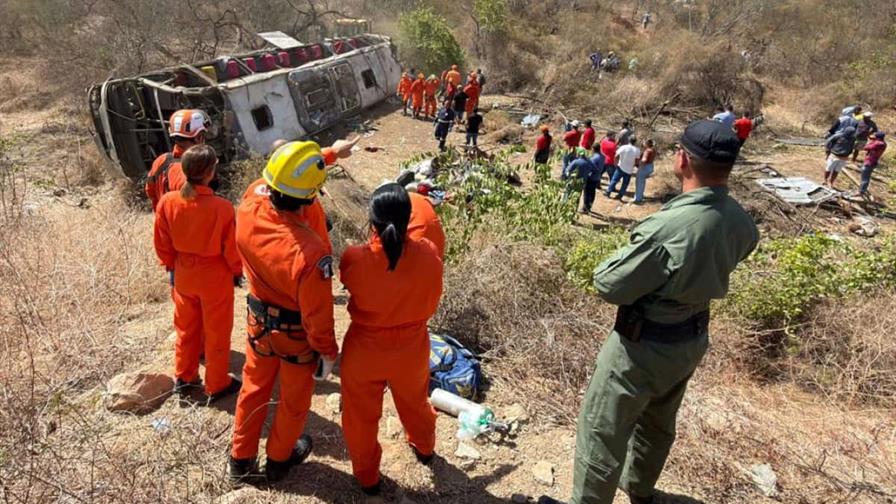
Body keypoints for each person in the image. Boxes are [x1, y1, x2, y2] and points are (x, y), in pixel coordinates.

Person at [538, 120, 759, 504]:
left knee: (602, 430)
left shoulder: (672, 226)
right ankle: (639, 489)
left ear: (683, 159)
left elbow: (610, 284)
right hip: (690, 339)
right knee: (658, 423)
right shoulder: (740, 220)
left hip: (642, 344)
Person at [228, 138, 357, 483]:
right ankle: (279, 460)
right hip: (294, 334)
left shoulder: (250, 200)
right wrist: (327, 353)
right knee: (294, 401)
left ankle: (240, 460)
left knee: (253, 388)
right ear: (310, 197)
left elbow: (283, 175)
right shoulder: (310, 254)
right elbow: (317, 315)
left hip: (258, 322)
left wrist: (329, 154)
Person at [339, 183, 443, 497]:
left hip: (365, 348)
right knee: (415, 402)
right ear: (408, 218)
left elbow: (352, 277)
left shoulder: (355, 258)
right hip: (411, 346)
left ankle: (368, 477)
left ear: (372, 222)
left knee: (360, 416)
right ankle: (424, 448)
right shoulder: (429, 253)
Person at [153, 144, 242, 403]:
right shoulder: (222, 208)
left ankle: (184, 376)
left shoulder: (168, 202)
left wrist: (172, 264)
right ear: (210, 172)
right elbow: (231, 249)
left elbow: (161, 241)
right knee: (216, 331)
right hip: (214, 275)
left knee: (186, 328)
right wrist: (237, 271)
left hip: (183, 273)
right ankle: (217, 384)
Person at [145, 109, 210, 211]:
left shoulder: (160, 161)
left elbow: (150, 190)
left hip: (164, 222)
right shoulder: (194, 170)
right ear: (198, 138)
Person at [860, 132, 887, 196]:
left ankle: (861, 192)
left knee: (865, 177)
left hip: (870, 161)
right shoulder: (883, 143)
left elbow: (866, 148)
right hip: (873, 161)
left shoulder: (878, 143)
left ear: (877, 137)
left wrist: (871, 141)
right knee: (866, 177)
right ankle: (862, 190)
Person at [583, 146, 606, 213]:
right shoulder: (602, 156)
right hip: (597, 177)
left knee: (587, 193)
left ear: (593, 149)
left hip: (591, 177)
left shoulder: (594, 158)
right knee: (592, 192)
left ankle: (585, 208)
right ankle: (589, 206)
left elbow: (590, 168)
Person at [633, 139, 656, 204]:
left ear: (646, 144)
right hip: (650, 166)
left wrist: (639, 164)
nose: (642, 143)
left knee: (639, 183)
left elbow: (644, 160)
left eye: (644, 142)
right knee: (642, 182)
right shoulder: (653, 149)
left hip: (644, 167)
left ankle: (638, 199)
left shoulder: (647, 151)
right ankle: (640, 196)